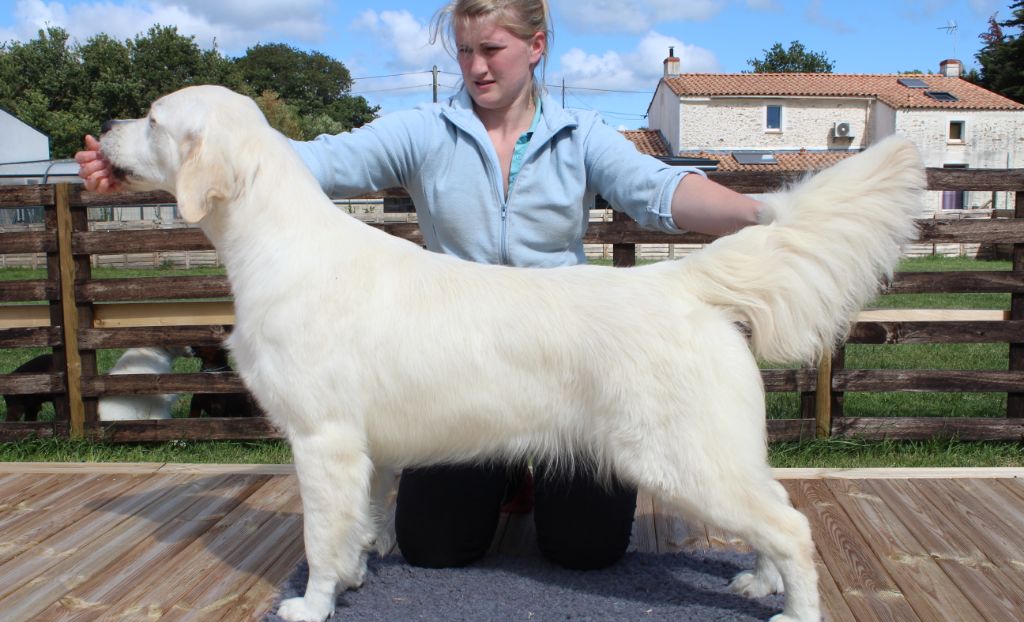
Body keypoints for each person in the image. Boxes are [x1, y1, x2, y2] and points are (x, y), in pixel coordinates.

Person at [76, 0, 766, 571]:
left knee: (584, 551)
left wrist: (757, 215)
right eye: (464, 51)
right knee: (435, 550)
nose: (476, 66)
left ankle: (525, 479)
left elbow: (660, 191)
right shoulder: (424, 130)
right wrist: (144, 162)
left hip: (568, 358)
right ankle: (502, 477)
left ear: (536, 47)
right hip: (455, 364)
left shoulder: (583, 136)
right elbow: (296, 160)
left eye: (492, 49)